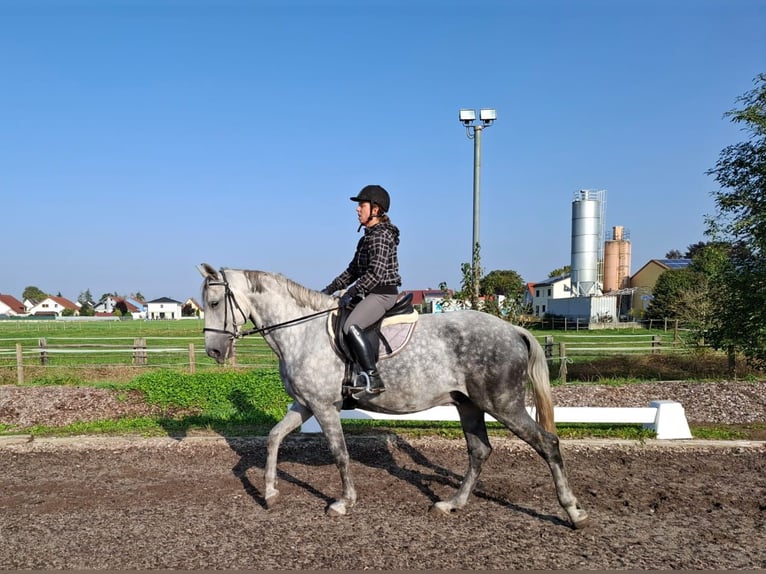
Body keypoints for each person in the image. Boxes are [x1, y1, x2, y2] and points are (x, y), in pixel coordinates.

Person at [322, 184, 401, 394]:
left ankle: (372, 377)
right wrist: (327, 290)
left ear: (375, 210)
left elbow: (375, 273)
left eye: (362, 205)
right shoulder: (366, 237)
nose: (357, 209)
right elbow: (353, 271)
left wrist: (350, 293)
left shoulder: (381, 236)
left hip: (383, 293)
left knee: (351, 326)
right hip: (371, 292)